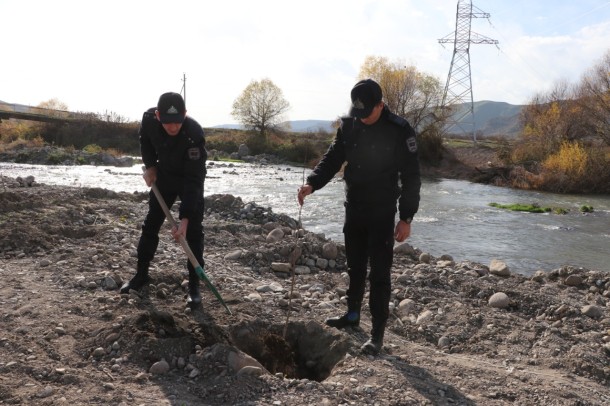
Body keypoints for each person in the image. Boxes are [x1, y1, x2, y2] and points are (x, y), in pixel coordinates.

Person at [297, 79, 421, 355]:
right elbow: (332, 159)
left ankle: (377, 333)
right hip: (354, 206)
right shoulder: (350, 125)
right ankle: (352, 315)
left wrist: (406, 218)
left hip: (382, 210)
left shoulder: (399, 130)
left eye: (368, 114)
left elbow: (412, 177)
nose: (363, 120)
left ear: (381, 105)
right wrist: (312, 183)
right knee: (354, 266)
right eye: (359, 113)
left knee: (379, 274)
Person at [120, 92, 207, 307]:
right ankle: (141, 275)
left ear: (185, 115)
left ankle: (194, 286)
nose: (173, 128)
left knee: (194, 232)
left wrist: (185, 219)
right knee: (151, 225)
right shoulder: (149, 121)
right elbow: (145, 140)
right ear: (158, 116)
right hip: (165, 178)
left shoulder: (193, 135)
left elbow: (194, 180)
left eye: (178, 122)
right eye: (168, 123)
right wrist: (150, 166)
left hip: (189, 180)